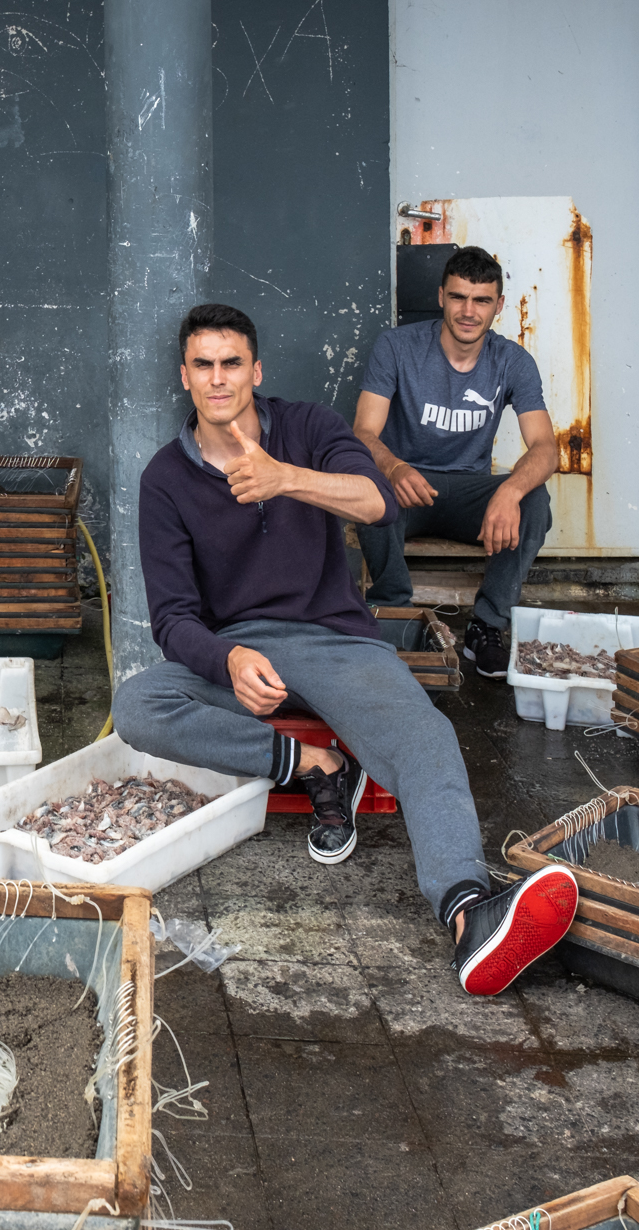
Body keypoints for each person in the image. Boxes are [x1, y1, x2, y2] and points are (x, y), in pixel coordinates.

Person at [112, 303, 578, 998]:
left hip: (334, 640)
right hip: (242, 655)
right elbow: (174, 617)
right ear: (185, 375)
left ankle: (468, 913)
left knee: (426, 736)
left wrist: (284, 477)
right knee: (139, 704)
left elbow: (376, 503)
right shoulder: (165, 480)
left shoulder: (308, 428)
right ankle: (315, 765)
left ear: (255, 370)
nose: (218, 379)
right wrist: (226, 661)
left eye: (231, 363)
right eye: (203, 365)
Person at [353, 246, 556, 678]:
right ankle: (397, 613)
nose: (469, 311)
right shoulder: (397, 346)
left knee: (535, 498)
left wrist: (510, 491)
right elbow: (363, 433)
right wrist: (393, 468)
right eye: (459, 297)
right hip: (408, 489)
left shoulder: (512, 361)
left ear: (498, 305)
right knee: (370, 487)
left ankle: (487, 625)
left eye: (481, 300)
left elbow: (545, 447)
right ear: (441, 296)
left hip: (468, 493)